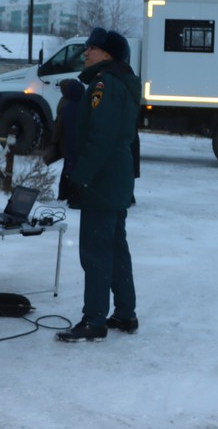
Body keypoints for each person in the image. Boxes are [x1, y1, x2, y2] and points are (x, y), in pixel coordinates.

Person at [57, 27, 141, 342]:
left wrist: (80, 178)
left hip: (102, 179)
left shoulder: (104, 85)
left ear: (107, 54)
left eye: (91, 48)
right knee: (116, 248)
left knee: (95, 252)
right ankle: (124, 313)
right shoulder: (119, 82)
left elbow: (99, 137)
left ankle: (94, 320)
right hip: (116, 177)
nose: (85, 53)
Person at [49, 78, 85, 201]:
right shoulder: (83, 104)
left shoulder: (65, 104)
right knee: (72, 168)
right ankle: (70, 195)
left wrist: (54, 141)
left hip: (67, 141)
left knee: (68, 169)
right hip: (76, 142)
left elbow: (59, 125)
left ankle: (64, 195)